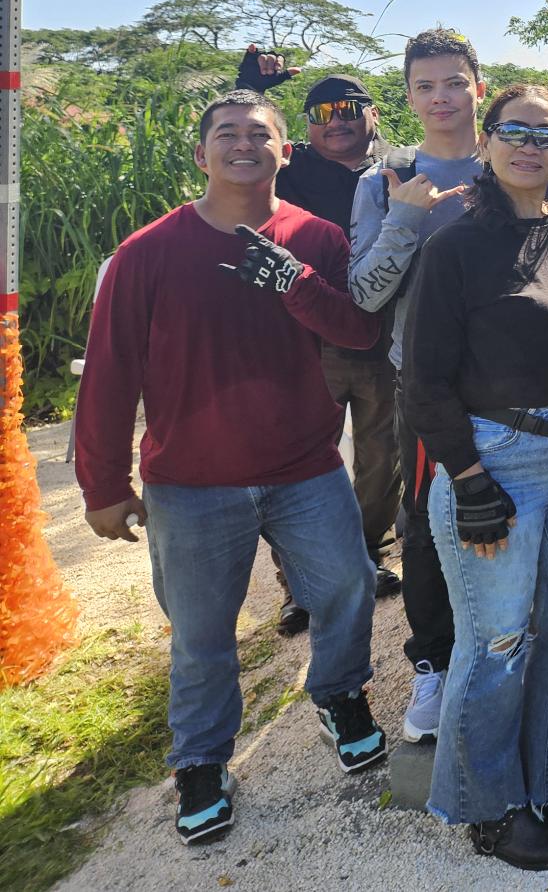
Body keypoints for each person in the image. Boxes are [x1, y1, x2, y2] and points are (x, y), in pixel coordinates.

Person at [74, 89, 387, 846]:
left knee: (351, 585)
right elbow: (110, 375)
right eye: (227, 134)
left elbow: (359, 330)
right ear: (201, 152)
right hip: (191, 480)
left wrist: (295, 284)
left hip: (304, 465)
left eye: (260, 135)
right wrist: (104, 486)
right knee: (202, 632)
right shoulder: (148, 252)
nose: (243, 145)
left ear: (285, 152)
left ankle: (339, 695)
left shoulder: (314, 237)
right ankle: (203, 761)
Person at [401, 84, 548, 872]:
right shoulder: (453, 247)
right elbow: (422, 378)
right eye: (513, 131)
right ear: (488, 143)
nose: (529, 144)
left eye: (546, 133)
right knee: (496, 642)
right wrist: (467, 478)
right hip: (496, 459)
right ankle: (488, 806)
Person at [349, 28, 486, 747]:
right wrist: (408, 215)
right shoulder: (382, 180)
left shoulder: (518, 158)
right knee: (429, 524)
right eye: (425, 85)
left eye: (453, 82)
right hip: (424, 381)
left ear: (478, 87)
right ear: (407, 96)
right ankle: (431, 659)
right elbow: (366, 294)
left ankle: (504, 649)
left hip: (516, 379)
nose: (441, 97)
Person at [252, 65, 401, 627]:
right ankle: (298, 583)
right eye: (320, 114)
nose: (335, 122)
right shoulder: (289, 170)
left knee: (380, 458)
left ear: (374, 114)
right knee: (297, 458)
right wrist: (255, 92)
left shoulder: (398, 168)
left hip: (381, 337)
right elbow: (238, 143)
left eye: (347, 109)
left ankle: (362, 557)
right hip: (303, 337)